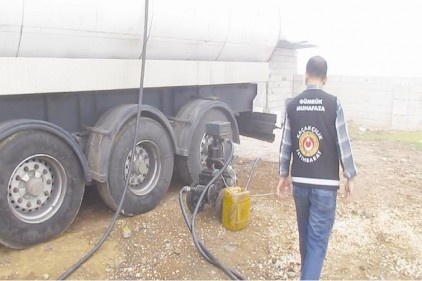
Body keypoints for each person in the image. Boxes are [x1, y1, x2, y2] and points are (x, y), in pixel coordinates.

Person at [276, 56, 357, 280]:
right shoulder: (334, 104)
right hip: (325, 186)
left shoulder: (292, 105)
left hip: (300, 184)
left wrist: (283, 174)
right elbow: (344, 143)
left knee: (306, 238)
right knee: (317, 244)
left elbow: (287, 144)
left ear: (306, 75)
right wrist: (350, 175)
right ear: (325, 79)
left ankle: (307, 274)